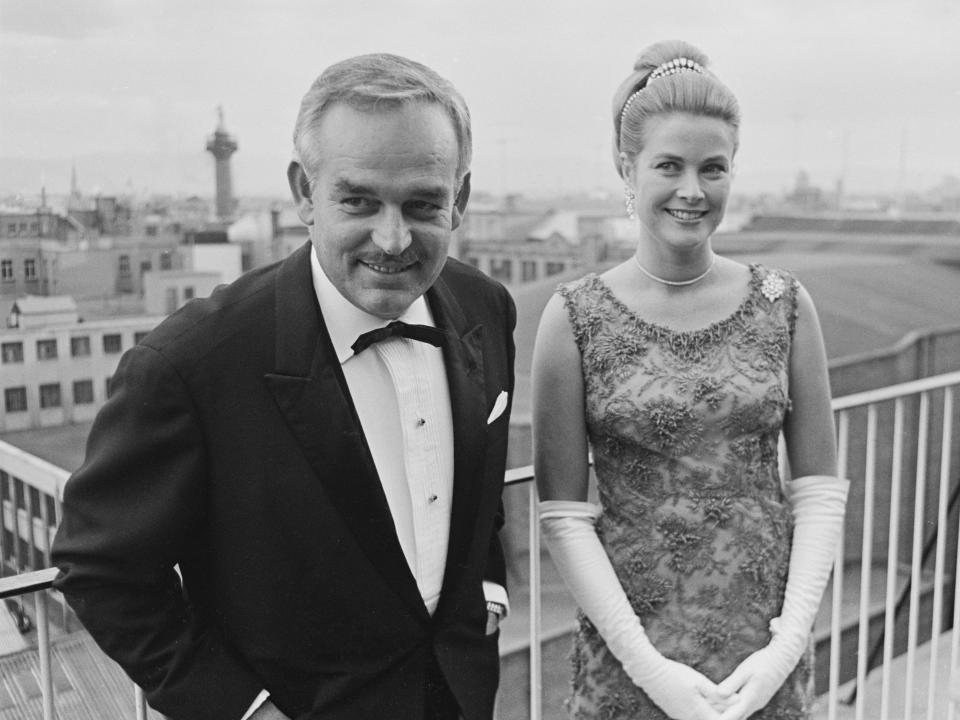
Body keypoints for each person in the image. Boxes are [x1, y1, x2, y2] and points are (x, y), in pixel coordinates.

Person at [52, 53, 516, 720]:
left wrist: (488, 588)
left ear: (461, 200)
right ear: (304, 191)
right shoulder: (190, 363)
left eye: (422, 204)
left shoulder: (485, 307)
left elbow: (478, 494)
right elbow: (102, 570)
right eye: (358, 200)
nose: (392, 238)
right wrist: (242, 709)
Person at [532, 40, 849, 720]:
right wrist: (648, 670)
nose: (692, 191)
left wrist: (784, 649)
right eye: (669, 166)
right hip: (634, 662)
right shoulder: (573, 320)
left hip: (760, 659)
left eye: (713, 169)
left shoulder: (785, 305)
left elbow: (819, 490)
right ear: (627, 167)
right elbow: (563, 516)